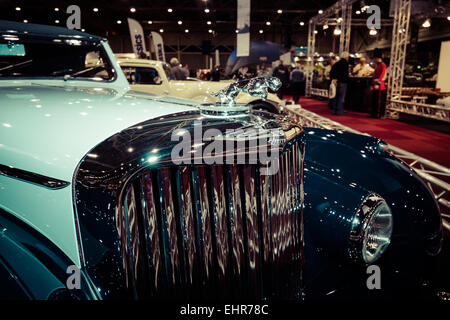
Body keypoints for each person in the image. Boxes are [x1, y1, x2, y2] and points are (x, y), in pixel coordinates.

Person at [371, 54, 387, 118]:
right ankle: (374, 113)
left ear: (378, 58)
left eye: (375, 58)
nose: (375, 60)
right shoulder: (378, 65)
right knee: (374, 100)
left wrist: (378, 83)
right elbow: (374, 75)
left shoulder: (383, 65)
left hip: (380, 85)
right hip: (376, 84)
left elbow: (382, 75)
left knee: (379, 101)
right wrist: (372, 84)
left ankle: (380, 114)